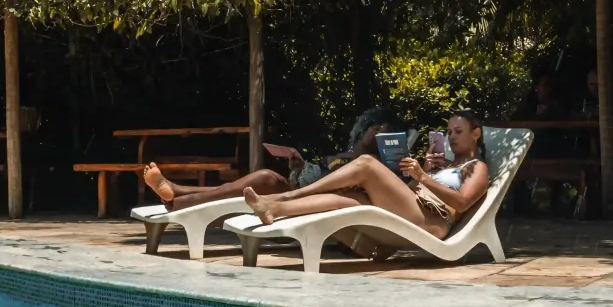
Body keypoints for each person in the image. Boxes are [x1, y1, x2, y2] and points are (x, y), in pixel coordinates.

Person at [243, 112, 490, 240]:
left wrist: (424, 178)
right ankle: (273, 207)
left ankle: (288, 196)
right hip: (414, 208)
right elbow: (414, 189)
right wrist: (423, 170)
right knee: (347, 197)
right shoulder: (443, 164)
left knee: (367, 165)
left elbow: (461, 203)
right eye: (449, 131)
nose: (451, 137)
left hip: (433, 221)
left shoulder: (478, 167)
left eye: (458, 131)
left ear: (476, 134)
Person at [139, 107, 402, 212]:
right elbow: (316, 175)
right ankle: (179, 193)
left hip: (317, 201)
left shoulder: (377, 164)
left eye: (385, 131)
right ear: (364, 128)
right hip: (302, 192)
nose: (379, 133)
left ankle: (179, 196)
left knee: (264, 178)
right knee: (259, 180)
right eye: (376, 127)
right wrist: (298, 168)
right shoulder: (343, 155)